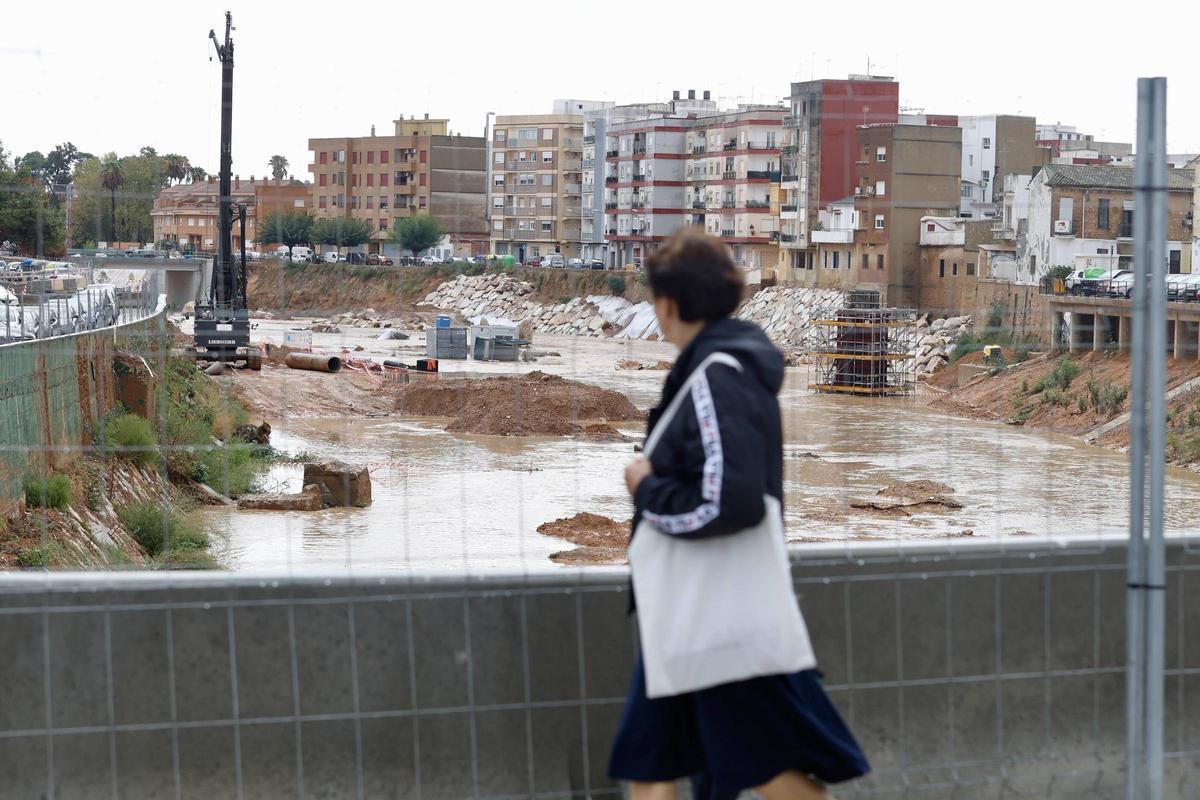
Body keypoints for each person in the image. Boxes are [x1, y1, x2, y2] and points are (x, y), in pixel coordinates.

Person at [608, 228, 869, 800]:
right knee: (651, 764)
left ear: (668, 304)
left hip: (711, 617)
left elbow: (730, 500)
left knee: (756, 767)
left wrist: (647, 487)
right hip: (684, 612)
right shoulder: (719, 370)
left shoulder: (716, 377)